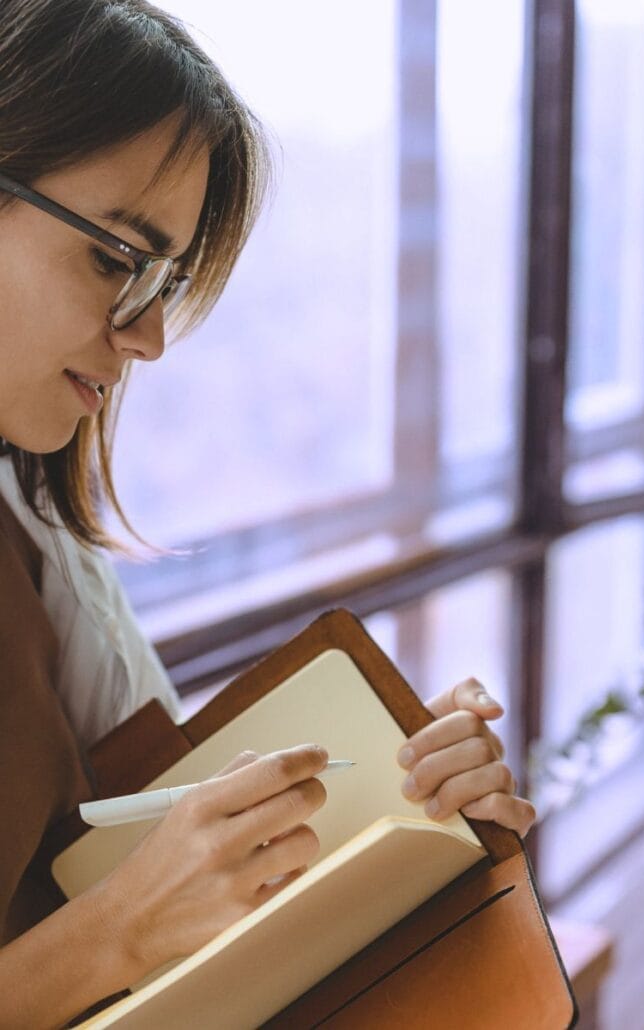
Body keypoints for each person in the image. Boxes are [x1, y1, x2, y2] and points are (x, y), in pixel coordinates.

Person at [0, 1, 536, 1025]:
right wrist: (115, 929)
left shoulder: (31, 534)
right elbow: (123, 899)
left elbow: (136, 833)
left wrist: (403, 802)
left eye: (163, 280)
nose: (151, 336)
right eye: (116, 259)